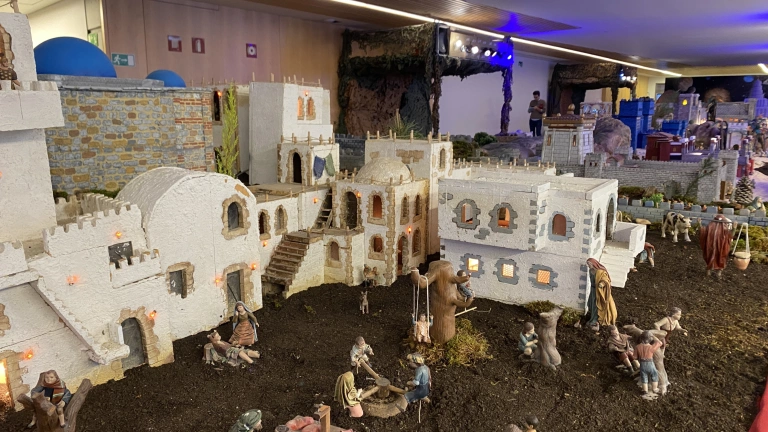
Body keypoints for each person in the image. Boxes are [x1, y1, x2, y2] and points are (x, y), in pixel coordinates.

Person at [585, 258, 617, 331]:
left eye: (589, 264)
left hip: (599, 291)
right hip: (593, 290)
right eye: (587, 264)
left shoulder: (600, 271)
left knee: (596, 305)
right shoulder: (590, 271)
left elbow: (606, 279)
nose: (588, 265)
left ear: (593, 264)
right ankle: (592, 318)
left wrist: (602, 284)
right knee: (591, 303)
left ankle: (595, 320)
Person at [634, 331, 663, 395]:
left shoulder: (637, 347)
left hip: (642, 364)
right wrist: (654, 337)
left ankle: (645, 390)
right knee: (654, 374)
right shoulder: (651, 347)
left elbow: (635, 357)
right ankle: (654, 388)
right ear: (650, 339)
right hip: (650, 363)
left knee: (644, 376)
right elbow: (660, 343)